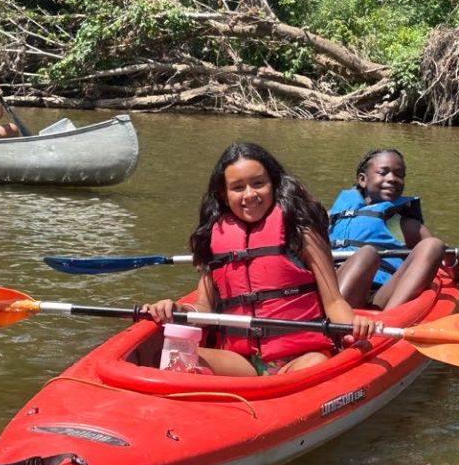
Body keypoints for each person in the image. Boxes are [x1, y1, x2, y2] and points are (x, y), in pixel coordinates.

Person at [142, 142, 375, 377]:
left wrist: (352, 329)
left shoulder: (300, 231)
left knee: (312, 367)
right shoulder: (215, 236)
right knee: (170, 357)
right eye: (238, 187)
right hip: (240, 360)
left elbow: (333, 301)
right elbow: (204, 306)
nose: (250, 194)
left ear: (273, 184)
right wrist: (176, 309)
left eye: (258, 183)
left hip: (301, 357)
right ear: (224, 194)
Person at [329, 148, 459, 310]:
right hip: (335, 291)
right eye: (383, 172)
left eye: (399, 175)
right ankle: (334, 317)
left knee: (433, 245)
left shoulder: (406, 226)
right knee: (367, 255)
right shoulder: (329, 217)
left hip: (381, 297)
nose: (392, 179)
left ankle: (388, 319)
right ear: (362, 179)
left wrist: (448, 256)